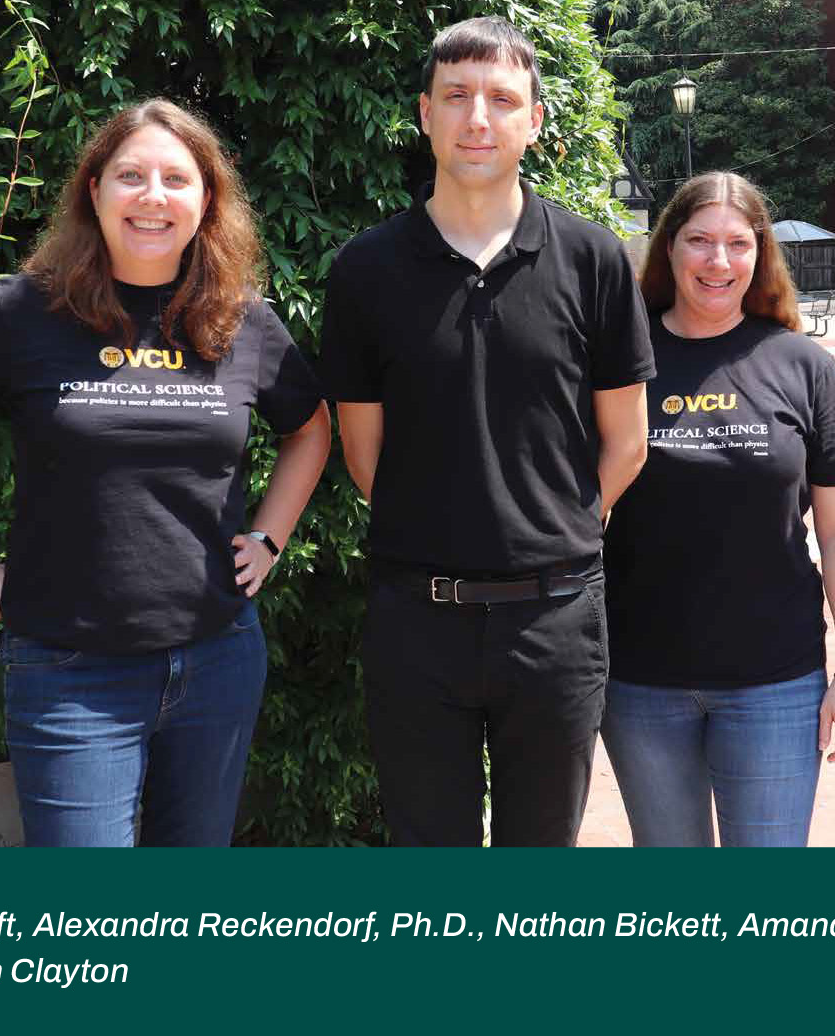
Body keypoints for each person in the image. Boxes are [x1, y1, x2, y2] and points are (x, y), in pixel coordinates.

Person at [0, 99, 331, 847]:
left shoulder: (241, 319)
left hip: (217, 658)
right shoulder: (24, 312)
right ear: (93, 191)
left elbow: (310, 428)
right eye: (130, 176)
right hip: (68, 673)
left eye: (175, 178)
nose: (152, 196)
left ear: (207, 200)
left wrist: (269, 537)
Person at [319, 16, 653, 847]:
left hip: (557, 622)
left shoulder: (593, 259)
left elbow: (627, 441)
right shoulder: (365, 269)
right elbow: (365, 455)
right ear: (424, 114)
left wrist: (558, 525)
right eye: (457, 96)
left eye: (502, 100)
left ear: (534, 122)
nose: (478, 118)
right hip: (414, 620)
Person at [601, 172, 835, 847]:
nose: (717, 262)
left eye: (736, 243)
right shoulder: (618, 363)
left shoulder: (801, 365)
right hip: (639, 681)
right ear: (668, 249)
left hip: (775, 683)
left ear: (759, 254)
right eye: (698, 242)